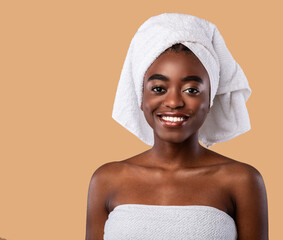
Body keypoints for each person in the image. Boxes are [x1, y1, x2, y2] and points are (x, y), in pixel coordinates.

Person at [86, 13, 268, 240]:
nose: (173, 102)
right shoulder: (107, 179)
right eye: (158, 88)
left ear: (210, 99)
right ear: (140, 97)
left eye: (191, 90)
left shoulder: (241, 180)